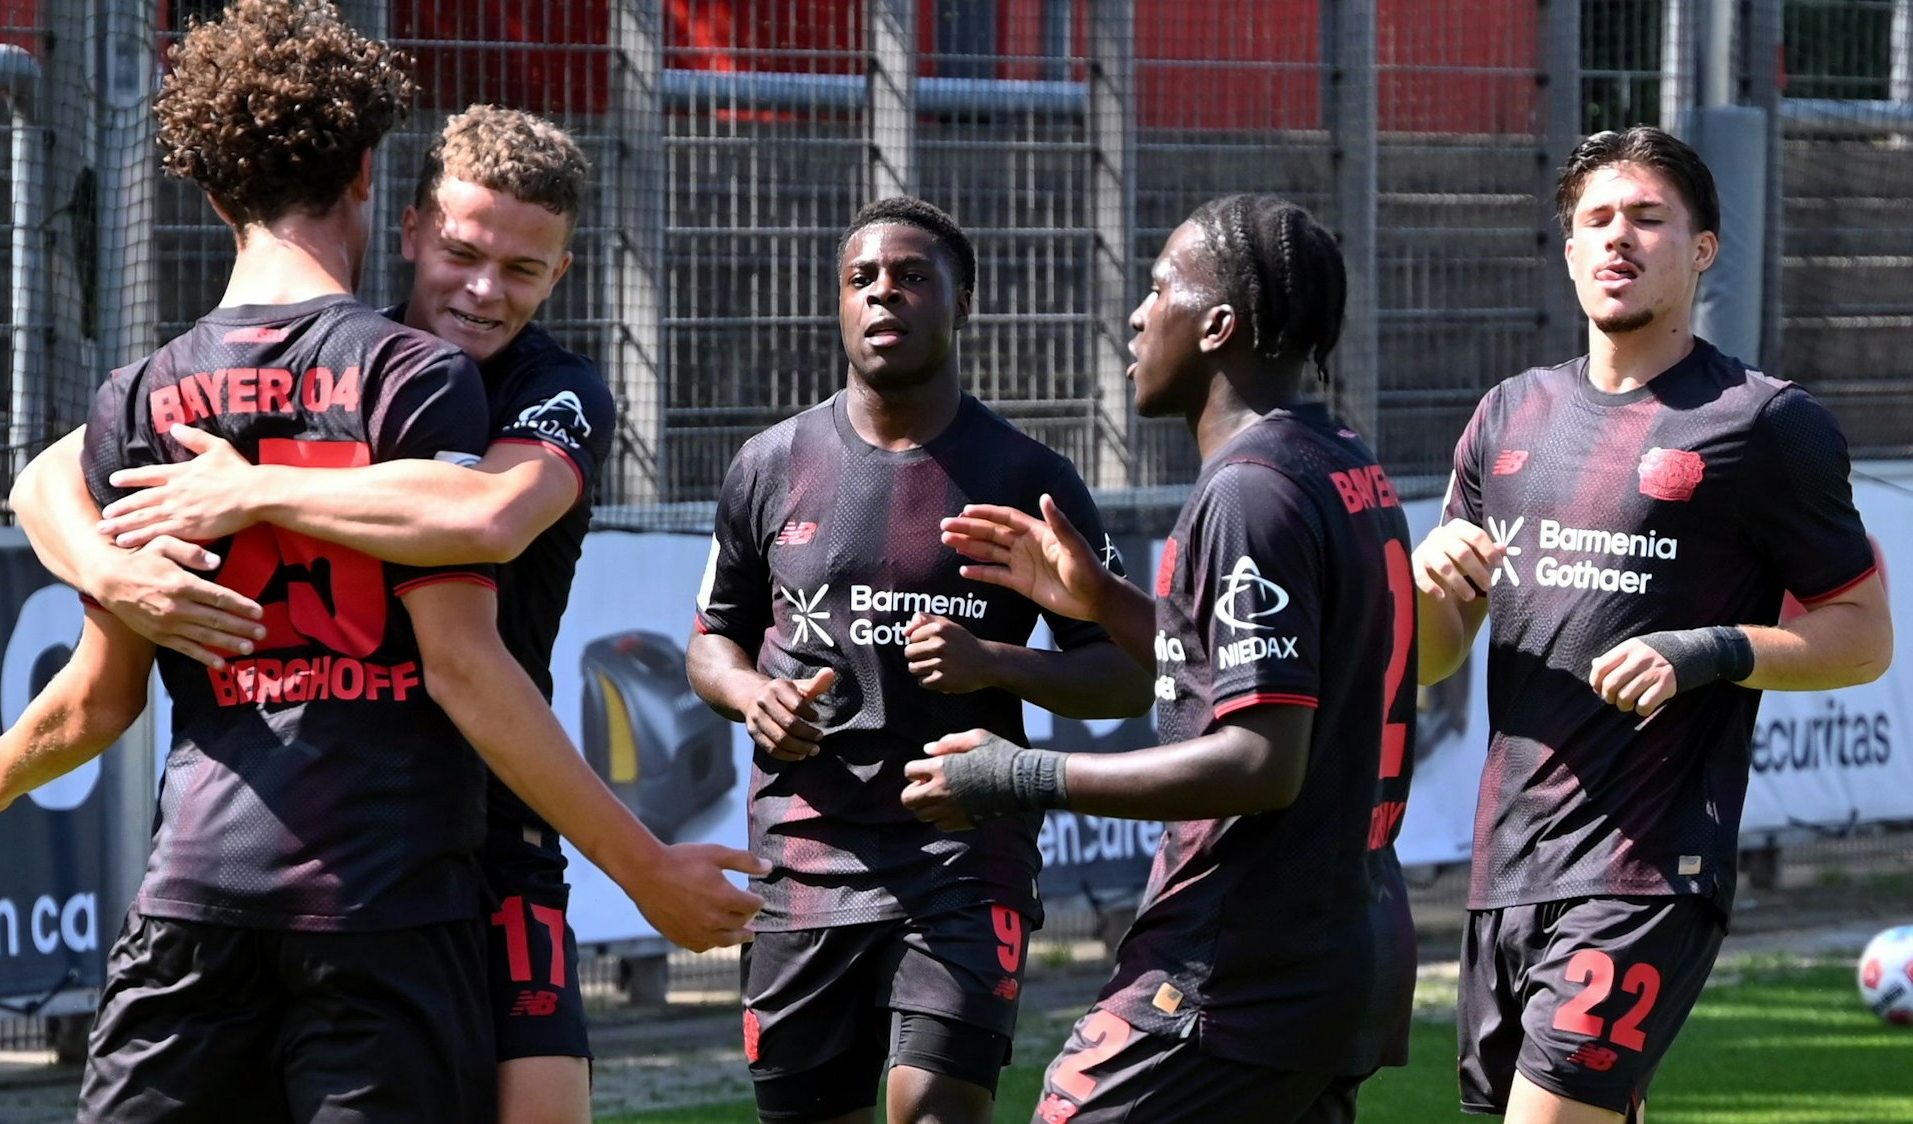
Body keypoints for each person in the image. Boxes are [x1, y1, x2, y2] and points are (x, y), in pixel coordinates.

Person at [0, 5, 758, 1120]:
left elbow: (494, 514)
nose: (485, 289)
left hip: (496, 833)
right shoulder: (376, 366)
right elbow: (42, 481)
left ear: (561, 275)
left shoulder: (542, 389)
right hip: (352, 877)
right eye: (463, 251)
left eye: (524, 270)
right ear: (399, 217)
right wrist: (118, 576)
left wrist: (253, 487)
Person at [1411, 126, 1893, 1124]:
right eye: (1595, 220)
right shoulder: (1508, 415)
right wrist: (1427, 584)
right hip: (1508, 863)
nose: (1617, 239)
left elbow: (1863, 632)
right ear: (1569, 246)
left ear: (1704, 246)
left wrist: (1708, 650)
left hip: (1647, 866)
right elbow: (1431, 656)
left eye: (1647, 218)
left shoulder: (1762, 423)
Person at [902, 193, 1418, 1123]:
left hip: (1238, 961)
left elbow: (1261, 762)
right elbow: (1256, 676)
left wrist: (1016, 774)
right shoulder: (1340, 458)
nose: (1139, 314)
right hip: (1338, 944)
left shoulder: (1252, 491)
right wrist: (1105, 604)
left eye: (1158, 289)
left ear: (1219, 325)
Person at [686, 196, 1153, 1124]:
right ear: (838, 304)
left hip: (964, 850)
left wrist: (996, 662)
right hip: (805, 852)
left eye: (911, 278)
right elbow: (711, 641)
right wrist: (753, 697)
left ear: (962, 303)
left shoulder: (1028, 480)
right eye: (862, 280)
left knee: (935, 1107)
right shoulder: (770, 465)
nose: (883, 296)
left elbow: (1129, 675)